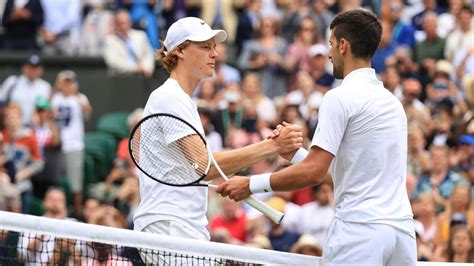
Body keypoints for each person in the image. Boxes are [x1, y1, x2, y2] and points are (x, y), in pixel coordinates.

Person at [217, 9, 417, 265]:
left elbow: (313, 173)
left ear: (343, 46)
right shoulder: (392, 103)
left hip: (359, 232)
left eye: (331, 44)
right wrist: (297, 154)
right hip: (401, 234)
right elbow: (335, 173)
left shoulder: (339, 98)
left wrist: (249, 184)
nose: (330, 53)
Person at [133, 17, 303, 259]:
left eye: (214, 46)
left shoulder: (180, 99)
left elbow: (196, 168)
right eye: (205, 47)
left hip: (181, 227)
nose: (215, 54)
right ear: (179, 51)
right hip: (169, 226)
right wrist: (272, 145)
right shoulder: (170, 97)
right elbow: (203, 166)